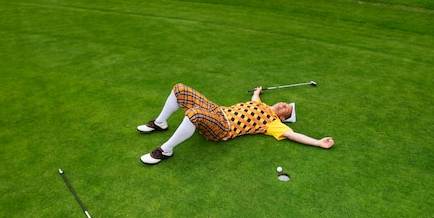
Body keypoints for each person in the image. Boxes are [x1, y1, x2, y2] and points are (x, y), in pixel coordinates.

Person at [137, 83, 334, 165]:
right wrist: (258, 91)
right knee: (180, 89)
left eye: (286, 110)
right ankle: (160, 123)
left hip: (224, 128)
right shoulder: (260, 104)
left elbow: (292, 135)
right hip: (217, 110)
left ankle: (165, 151)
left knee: (194, 114)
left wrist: (317, 142)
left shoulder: (273, 123)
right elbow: (256, 97)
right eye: (285, 103)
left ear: (283, 118)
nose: (284, 105)